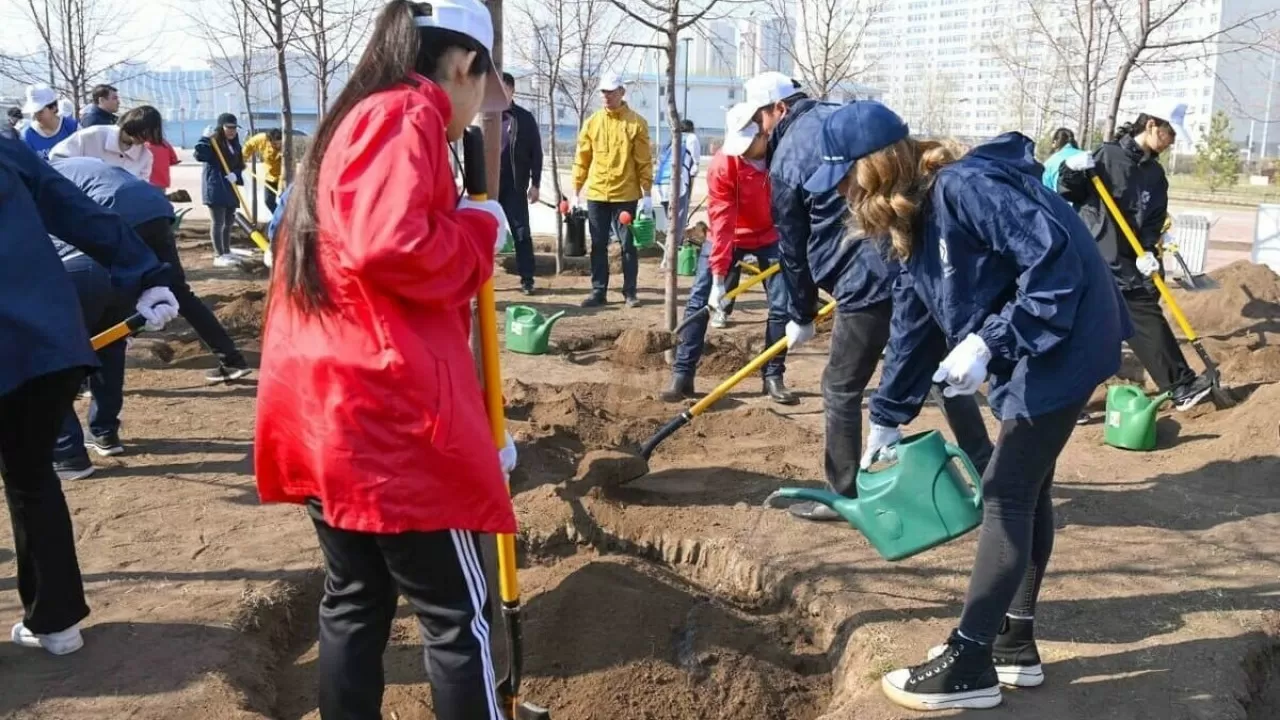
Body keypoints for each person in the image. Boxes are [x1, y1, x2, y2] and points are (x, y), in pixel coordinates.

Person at [806, 102, 1131, 711]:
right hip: (1041, 341)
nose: (845, 195)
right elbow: (916, 316)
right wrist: (888, 411)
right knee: (1026, 490)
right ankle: (1013, 643)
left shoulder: (965, 186)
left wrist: (991, 340)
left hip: (1066, 337)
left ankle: (971, 660)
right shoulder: (919, 217)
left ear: (875, 168)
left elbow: (1055, 262)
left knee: (1006, 490)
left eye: (848, 180)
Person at [253, 1, 519, 718]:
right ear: (463, 65)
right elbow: (389, 244)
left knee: (356, 598)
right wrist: (473, 230)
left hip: (327, 413)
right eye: (478, 91)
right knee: (457, 616)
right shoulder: (405, 115)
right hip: (393, 427)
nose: (472, 112)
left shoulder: (347, 120)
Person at [728, 72, 993, 522]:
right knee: (942, 372)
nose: (759, 137)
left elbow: (792, 244)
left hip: (864, 281)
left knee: (840, 385)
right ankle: (990, 473)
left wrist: (801, 312)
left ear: (777, 110)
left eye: (758, 122)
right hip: (910, 263)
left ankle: (846, 493)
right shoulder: (842, 118)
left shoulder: (789, 154)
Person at [1, 135, 178, 655]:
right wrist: (146, 275)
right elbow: (76, 209)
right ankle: (56, 624)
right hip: (45, 337)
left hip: (35, 338)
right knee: (32, 479)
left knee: (30, 477)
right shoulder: (7, 151)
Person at [1058, 99, 1213, 412]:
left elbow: (1153, 219)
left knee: (1094, 329)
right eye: (1169, 134)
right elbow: (1069, 192)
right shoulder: (1106, 156)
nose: (1172, 141)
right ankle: (1180, 385)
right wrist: (1070, 171)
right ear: (1152, 125)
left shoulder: (1156, 175)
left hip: (1131, 258)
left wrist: (1148, 252)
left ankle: (1062, 400)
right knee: (1141, 312)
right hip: (1098, 255)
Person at [53, 155, 252, 387]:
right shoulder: (74, 162)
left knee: (99, 293)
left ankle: (84, 380)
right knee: (179, 292)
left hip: (119, 215)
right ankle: (232, 360)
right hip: (154, 208)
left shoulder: (39, 180)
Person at [663, 103, 797, 406]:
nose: (745, 151)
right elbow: (722, 222)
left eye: (750, 143)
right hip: (731, 234)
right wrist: (719, 279)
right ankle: (682, 374)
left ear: (763, 133)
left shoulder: (782, 157)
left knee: (781, 305)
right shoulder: (725, 164)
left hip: (772, 234)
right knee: (700, 298)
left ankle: (773, 375)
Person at [571, 71, 653, 308]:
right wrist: (576, 190)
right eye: (603, 92)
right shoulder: (593, 122)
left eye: (610, 91)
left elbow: (643, 161)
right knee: (598, 244)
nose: (606, 96)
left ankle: (630, 292)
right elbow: (582, 158)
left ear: (622, 92)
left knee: (628, 245)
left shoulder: (636, 123)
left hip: (625, 194)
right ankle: (599, 291)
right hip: (597, 193)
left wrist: (647, 193)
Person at [498, 72, 544, 295]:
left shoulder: (524, 119)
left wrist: (535, 183)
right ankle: (480, 282)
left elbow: (536, 152)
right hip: (489, 186)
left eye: (504, 88)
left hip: (514, 186)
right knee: (482, 232)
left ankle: (527, 279)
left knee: (521, 233)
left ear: (512, 90)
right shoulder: (486, 115)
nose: (500, 92)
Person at [50, 105, 162, 180]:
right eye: (144, 132)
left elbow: (141, 188)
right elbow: (58, 159)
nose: (145, 139)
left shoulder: (145, 157)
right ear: (135, 124)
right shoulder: (93, 135)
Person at [194, 113, 246, 268]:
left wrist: (235, 175)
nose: (232, 131)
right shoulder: (213, 143)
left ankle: (227, 251)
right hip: (215, 186)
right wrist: (204, 139)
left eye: (234, 128)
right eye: (228, 128)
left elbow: (240, 165)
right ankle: (219, 254)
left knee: (229, 222)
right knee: (219, 222)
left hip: (230, 187)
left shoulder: (235, 145)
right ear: (221, 128)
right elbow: (200, 156)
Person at [20, 84, 79, 159]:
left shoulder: (73, 127)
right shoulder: (27, 135)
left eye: (40, 111)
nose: (36, 116)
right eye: (34, 112)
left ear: (53, 108)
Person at [242, 127, 284, 212]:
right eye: (275, 144)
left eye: (279, 144)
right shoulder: (262, 139)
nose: (277, 146)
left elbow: (285, 171)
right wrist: (242, 159)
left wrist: (280, 188)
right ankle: (280, 219)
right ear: (269, 140)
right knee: (268, 201)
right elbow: (249, 145)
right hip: (269, 177)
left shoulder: (286, 149)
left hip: (283, 178)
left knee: (286, 202)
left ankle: (287, 219)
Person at [1039, 127, 1083, 194]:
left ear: (1055, 142)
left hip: (1060, 201)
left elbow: (1047, 191)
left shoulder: (1050, 162)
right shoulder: (1085, 156)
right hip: (1087, 202)